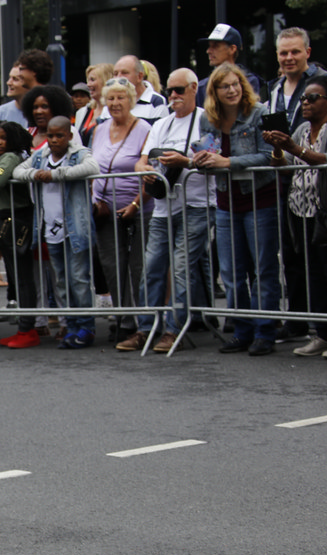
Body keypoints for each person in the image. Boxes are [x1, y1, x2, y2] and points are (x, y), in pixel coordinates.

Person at [265, 74, 327, 358]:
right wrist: (278, 147)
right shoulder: (303, 128)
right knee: (313, 275)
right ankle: (323, 335)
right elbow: (286, 165)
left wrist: (293, 148)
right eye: (304, 98)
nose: (305, 102)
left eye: (312, 98)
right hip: (300, 210)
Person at [124, 68, 211, 353]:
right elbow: (141, 160)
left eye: (179, 90)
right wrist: (146, 170)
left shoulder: (206, 120)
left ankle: (174, 330)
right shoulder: (161, 123)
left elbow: (215, 158)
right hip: (163, 207)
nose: (173, 95)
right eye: (170, 90)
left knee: (182, 268)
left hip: (196, 204)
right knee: (152, 268)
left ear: (194, 88)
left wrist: (185, 162)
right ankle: (145, 328)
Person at [197, 62, 281, 356]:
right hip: (225, 202)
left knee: (263, 270)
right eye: (225, 86)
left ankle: (265, 332)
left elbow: (269, 156)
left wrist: (228, 162)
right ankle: (241, 331)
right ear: (215, 91)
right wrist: (202, 160)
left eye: (235, 84)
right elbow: (208, 152)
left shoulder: (258, 113)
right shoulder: (208, 118)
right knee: (232, 272)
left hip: (260, 200)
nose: (231, 90)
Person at [13, 116, 100, 348]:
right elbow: (19, 171)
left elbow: (93, 167)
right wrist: (35, 175)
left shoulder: (79, 154)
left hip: (75, 228)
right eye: (50, 136)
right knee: (61, 281)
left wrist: (56, 174)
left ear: (69, 136)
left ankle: (86, 327)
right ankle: (71, 326)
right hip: (51, 228)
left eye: (59, 135)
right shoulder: (40, 156)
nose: (54, 140)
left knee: (78, 279)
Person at [91, 77, 153, 343]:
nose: (115, 103)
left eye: (121, 97)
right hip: (104, 211)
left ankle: (143, 322)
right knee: (112, 266)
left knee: (138, 267)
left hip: (138, 208)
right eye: (111, 98)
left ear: (132, 99)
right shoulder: (99, 129)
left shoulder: (145, 129)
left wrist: (136, 204)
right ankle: (123, 319)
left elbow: (151, 173)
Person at [0, 121, 37, 348]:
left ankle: (27, 329)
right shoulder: (14, 156)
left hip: (15, 219)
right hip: (15, 217)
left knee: (22, 277)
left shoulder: (9, 158)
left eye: (4, 138)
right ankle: (24, 329)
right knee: (19, 277)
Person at [263, 28, 326, 133]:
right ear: (277, 55)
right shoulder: (275, 88)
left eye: (295, 52)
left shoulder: (325, 82)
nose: (289, 58)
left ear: (308, 52)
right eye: (283, 53)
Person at [197, 25, 263, 103]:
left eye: (215, 46)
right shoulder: (201, 87)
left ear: (232, 49)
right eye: (209, 46)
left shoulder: (249, 81)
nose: (208, 51)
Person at [0, 49, 54, 127]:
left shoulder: (55, 104)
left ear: (34, 72)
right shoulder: (1, 112)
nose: (8, 83)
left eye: (15, 79)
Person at [107, 56, 169, 124]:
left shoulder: (156, 101)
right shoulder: (109, 101)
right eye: (115, 74)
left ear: (139, 76)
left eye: (124, 73)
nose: (118, 77)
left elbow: (160, 130)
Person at [75, 64, 113, 146]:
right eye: (88, 80)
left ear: (105, 81)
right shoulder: (82, 112)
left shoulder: (114, 112)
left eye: (92, 80)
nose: (88, 85)